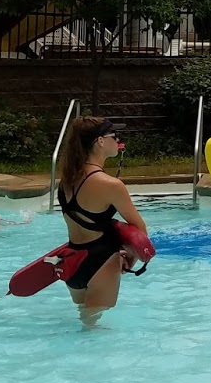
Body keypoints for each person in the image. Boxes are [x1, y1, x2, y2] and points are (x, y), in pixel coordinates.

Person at [56, 115, 150, 321]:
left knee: (85, 318)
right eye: (114, 136)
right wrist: (130, 259)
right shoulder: (110, 185)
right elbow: (140, 229)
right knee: (94, 328)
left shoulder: (66, 181)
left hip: (72, 260)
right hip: (101, 261)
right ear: (100, 141)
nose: (118, 140)